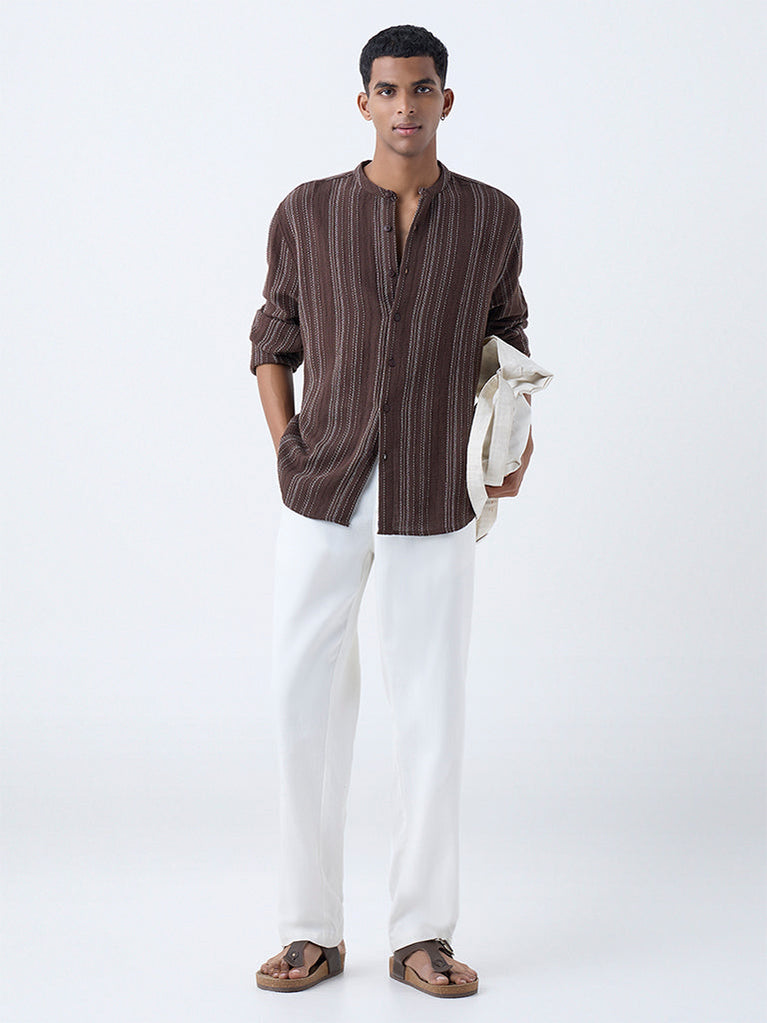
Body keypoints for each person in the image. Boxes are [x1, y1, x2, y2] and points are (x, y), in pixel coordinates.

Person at [250, 24, 534, 999]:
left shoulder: (490, 215)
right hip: (322, 488)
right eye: (386, 90)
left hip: (433, 491)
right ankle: (308, 930)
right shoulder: (308, 210)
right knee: (301, 700)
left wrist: (516, 442)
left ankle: (421, 933)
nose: (404, 106)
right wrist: (288, 446)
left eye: (420, 89)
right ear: (363, 101)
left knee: (430, 709)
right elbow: (273, 338)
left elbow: (507, 337)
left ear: (444, 100)